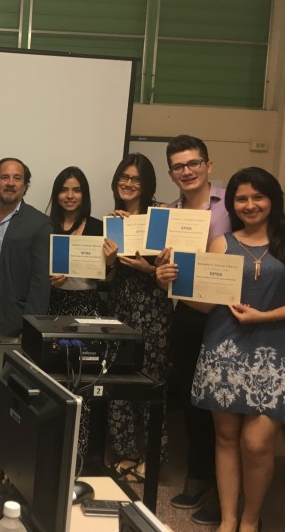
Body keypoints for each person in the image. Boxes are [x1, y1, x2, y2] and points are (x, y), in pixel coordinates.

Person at [157, 167, 285, 532]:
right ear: (233, 204)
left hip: (276, 352)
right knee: (226, 439)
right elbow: (207, 304)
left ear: (273, 198)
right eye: (241, 199)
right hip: (224, 349)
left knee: (257, 443)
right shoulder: (223, 243)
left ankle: (250, 519)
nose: (250, 205)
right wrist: (170, 283)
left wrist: (267, 316)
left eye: (257, 197)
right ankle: (229, 520)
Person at [155, 135, 231, 525]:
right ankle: (199, 475)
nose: (187, 172)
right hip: (188, 313)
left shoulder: (232, 204)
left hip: (230, 315)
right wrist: (161, 272)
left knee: (223, 403)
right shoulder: (167, 214)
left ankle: (224, 490)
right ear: (171, 173)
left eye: (193, 164)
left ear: (208, 165)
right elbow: (164, 270)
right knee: (190, 396)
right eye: (179, 167)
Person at [104, 153, 173, 482]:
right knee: (118, 379)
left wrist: (148, 268)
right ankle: (127, 452)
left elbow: (170, 271)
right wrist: (109, 259)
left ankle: (151, 457)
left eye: (136, 179)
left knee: (150, 381)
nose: (128, 184)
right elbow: (106, 276)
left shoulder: (160, 218)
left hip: (152, 308)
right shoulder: (112, 219)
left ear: (146, 185)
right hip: (120, 306)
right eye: (124, 177)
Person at [0, 157, 51, 439]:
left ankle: (15, 441)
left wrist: (30, 326)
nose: (10, 182)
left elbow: (41, 281)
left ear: (25, 185)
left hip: (16, 317)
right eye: (4, 177)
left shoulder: (39, 223)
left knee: (17, 381)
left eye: (17, 178)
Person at [47, 166, 111, 316]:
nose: (70, 195)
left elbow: (104, 275)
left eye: (76, 190)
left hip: (87, 303)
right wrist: (49, 280)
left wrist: (111, 260)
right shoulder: (46, 226)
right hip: (51, 302)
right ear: (56, 194)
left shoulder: (98, 227)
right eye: (63, 190)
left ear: (84, 195)